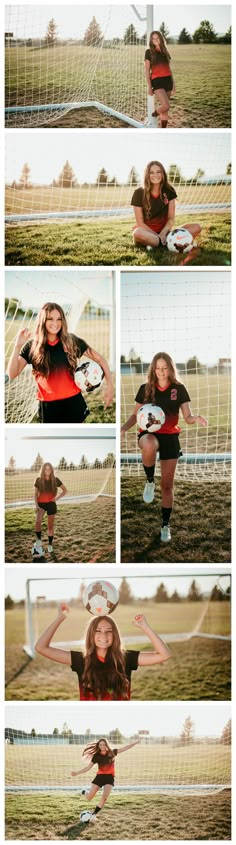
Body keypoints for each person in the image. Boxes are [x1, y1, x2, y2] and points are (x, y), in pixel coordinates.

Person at [121, 352, 208, 543]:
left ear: (170, 368)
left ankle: (165, 525)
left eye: (164, 368)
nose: (160, 372)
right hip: (148, 433)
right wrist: (123, 429)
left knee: (167, 486)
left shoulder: (179, 389)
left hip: (170, 436)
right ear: (153, 369)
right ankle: (150, 480)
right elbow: (136, 416)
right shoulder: (145, 388)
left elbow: (187, 417)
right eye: (157, 368)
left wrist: (196, 418)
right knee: (150, 443)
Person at [7, 302, 114, 423]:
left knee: (76, 441)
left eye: (59, 319)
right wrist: (17, 346)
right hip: (48, 407)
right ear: (43, 320)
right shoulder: (33, 346)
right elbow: (12, 374)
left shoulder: (71, 341)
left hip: (73, 403)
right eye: (50, 319)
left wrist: (110, 385)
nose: (55, 323)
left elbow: (101, 359)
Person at [35, 606, 172, 699]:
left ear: (115, 635)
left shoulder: (126, 658)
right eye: (98, 631)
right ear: (91, 634)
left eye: (109, 631)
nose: (104, 635)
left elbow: (164, 655)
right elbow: (41, 647)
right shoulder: (80, 659)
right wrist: (60, 618)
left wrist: (144, 626)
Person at [131, 160, 201, 250]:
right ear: (147, 175)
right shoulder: (138, 193)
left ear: (163, 173)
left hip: (165, 233)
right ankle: (169, 242)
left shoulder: (169, 190)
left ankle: (160, 243)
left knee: (196, 227)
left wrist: (163, 234)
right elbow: (140, 223)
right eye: (151, 172)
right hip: (147, 233)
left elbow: (171, 219)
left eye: (158, 172)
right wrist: (158, 236)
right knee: (137, 232)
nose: (155, 175)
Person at [71, 737, 140, 823]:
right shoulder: (96, 756)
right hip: (100, 777)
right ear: (98, 746)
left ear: (106, 745)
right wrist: (77, 773)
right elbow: (88, 767)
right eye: (100, 745)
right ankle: (85, 792)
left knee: (104, 798)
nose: (102, 746)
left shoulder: (112, 752)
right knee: (89, 798)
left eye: (104, 744)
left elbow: (125, 748)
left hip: (109, 778)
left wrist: (135, 742)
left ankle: (94, 814)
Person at [32, 462, 67, 557]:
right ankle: (38, 540)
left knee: (50, 526)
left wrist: (56, 498)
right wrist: (36, 505)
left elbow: (65, 490)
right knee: (38, 521)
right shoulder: (38, 480)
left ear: (51, 470)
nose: (47, 470)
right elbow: (35, 494)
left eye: (49, 469)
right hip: (41, 504)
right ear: (43, 470)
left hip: (51, 504)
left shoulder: (55, 480)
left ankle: (50, 545)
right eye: (45, 469)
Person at [145, 30, 175, 128]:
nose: (155, 40)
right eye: (153, 38)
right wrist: (149, 87)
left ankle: (163, 131)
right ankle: (154, 114)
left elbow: (169, 69)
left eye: (157, 38)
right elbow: (147, 70)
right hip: (157, 81)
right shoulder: (149, 52)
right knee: (166, 106)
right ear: (151, 40)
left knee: (165, 110)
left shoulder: (165, 51)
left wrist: (173, 84)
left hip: (168, 81)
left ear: (161, 39)